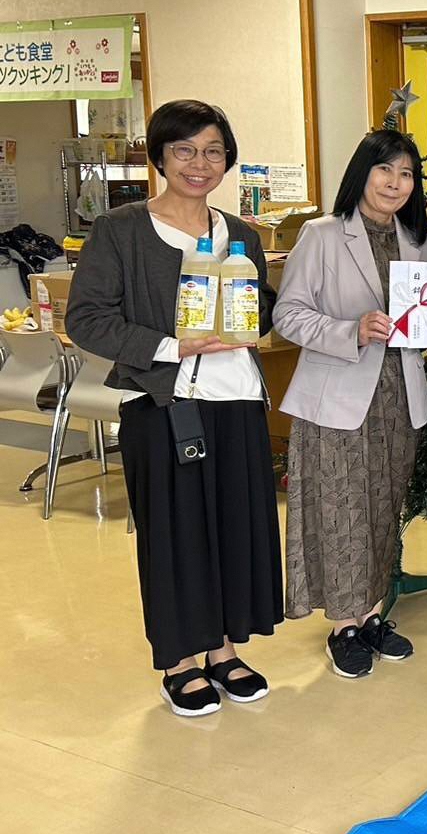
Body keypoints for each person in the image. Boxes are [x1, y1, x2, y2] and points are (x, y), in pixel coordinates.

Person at [67, 100, 282, 717]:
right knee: (175, 533)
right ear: (160, 156)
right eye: (184, 150)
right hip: (165, 403)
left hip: (236, 400)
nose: (199, 163)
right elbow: (87, 318)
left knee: (234, 528)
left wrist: (255, 315)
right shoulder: (121, 230)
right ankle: (180, 662)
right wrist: (171, 345)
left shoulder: (241, 233)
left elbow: (260, 304)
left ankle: (223, 649)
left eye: (213, 151)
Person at [273, 129, 427, 679]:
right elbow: (287, 315)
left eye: (406, 173)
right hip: (337, 397)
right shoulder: (322, 234)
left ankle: (370, 616)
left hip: (400, 398)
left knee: (383, 508)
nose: (395, 182)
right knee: (341, 510)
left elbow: (422, 318)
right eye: (385, 169)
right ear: (362, 173)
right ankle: (343, 626)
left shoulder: (420, 241)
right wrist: (351, 330)